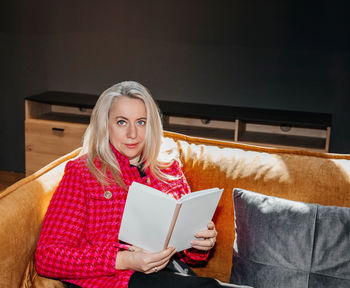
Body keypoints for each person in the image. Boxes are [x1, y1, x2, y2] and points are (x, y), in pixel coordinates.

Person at [35, 81, 250, 288]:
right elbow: (47, 258)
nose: (133, 134)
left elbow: (189, 257)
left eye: (141, 122)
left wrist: (200, 243)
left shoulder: (168, 168)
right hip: (114, 280)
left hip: (169, 273)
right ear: (105, 126)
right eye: (121, 122)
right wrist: (124, 260)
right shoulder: (82, 172)